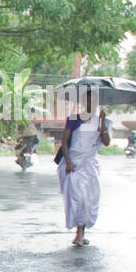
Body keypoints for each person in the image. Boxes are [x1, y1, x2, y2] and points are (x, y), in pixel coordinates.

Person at [57, 89, 110, 246]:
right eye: (87, 101)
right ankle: (78, 233)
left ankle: (81, 233)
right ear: (82, 103)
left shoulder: (100, 121)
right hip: (74, 164)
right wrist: (68, 162)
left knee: (89, 199)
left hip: (90, 165)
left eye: (93, 101)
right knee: (77, 198)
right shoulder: (74, 119)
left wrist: (102, 123)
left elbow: (106, 142)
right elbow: (65, 142)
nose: (90, 104)